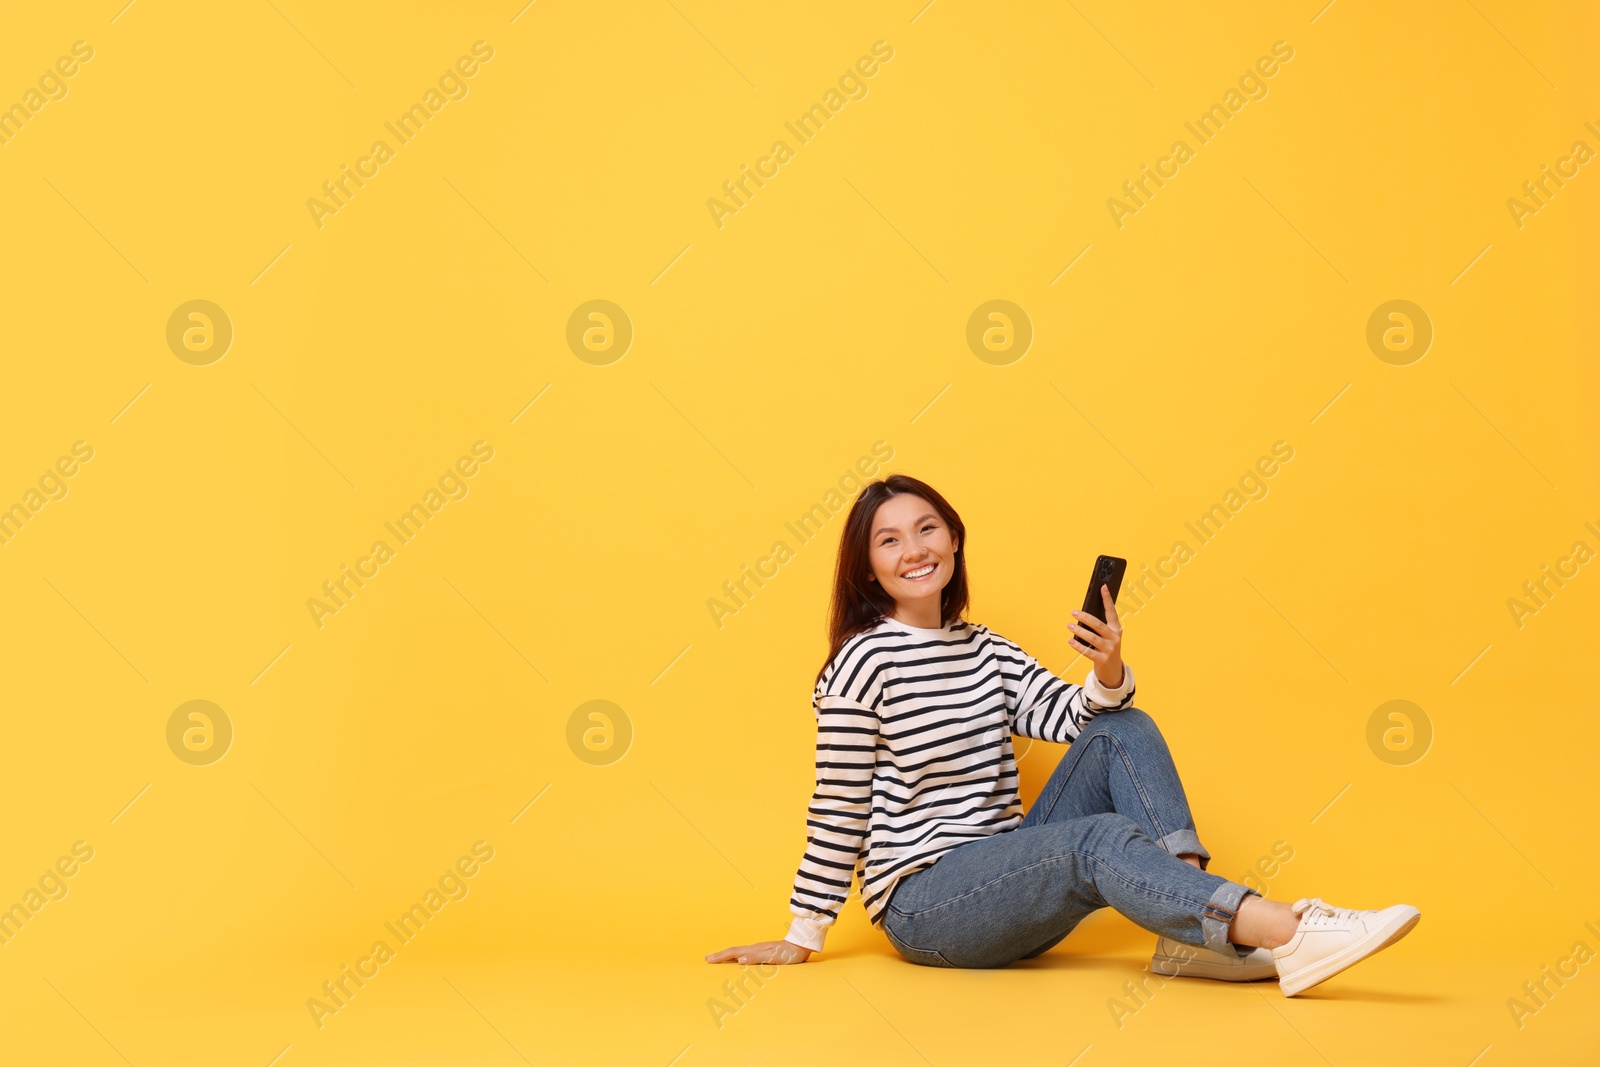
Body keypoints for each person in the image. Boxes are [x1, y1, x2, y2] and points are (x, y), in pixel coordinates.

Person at [705, 474, 1419, 996]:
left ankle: (1194, 933)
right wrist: (805, 931)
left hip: (1007, 871)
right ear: (868, 568)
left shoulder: (984, 647)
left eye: (927, 528)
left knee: (1123, 725)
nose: (914, 549)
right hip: (930, 905)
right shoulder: (861, 662)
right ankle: (1287, 930)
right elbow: (839, 805)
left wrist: (1107, 664)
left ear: (954, 538)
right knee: (1098, 839)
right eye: (889, 540)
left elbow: (1075, 717)